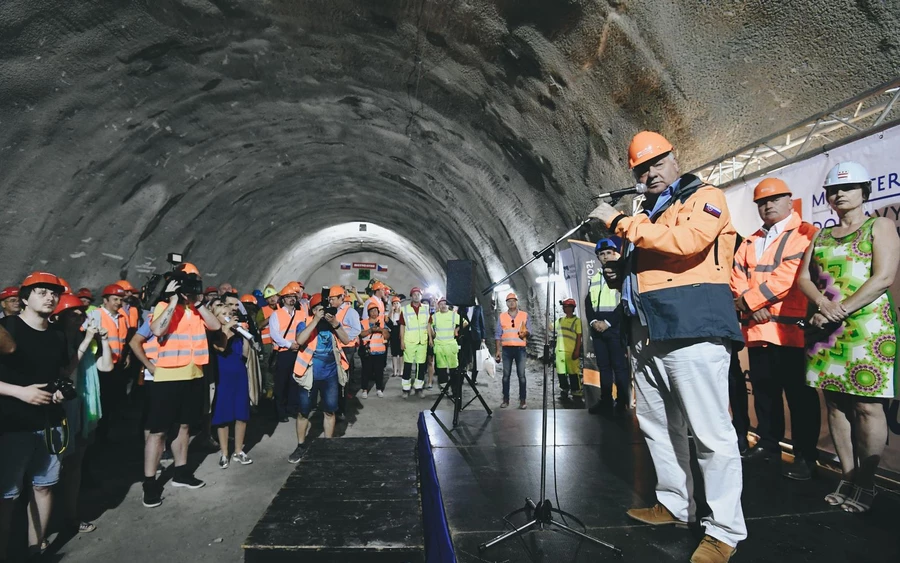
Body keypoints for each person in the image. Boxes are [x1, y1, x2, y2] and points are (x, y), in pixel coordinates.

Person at [589, 131, 746, 563]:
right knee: (658, 426)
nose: (651, 172)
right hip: (647, 333)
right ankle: (676, 503)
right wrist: (622, 272)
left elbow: (689, 242)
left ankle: (725, 531)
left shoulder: (704, 197)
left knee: (711, 434)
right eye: (642, 168)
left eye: (658, 162)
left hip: (692, 329)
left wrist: (620, 223)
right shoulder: (650, 212)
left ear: (675, 160)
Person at [799, 161, 900, 514]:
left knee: (868, 406)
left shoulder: (880, 225)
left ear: (864, 191)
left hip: (868, 327)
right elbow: (804, 279)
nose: (840, 193)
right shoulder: (820, 235)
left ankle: (867, 482)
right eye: (833, 189)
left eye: (849, 187)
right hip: (827, 332)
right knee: (836, 404)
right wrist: (821, 304)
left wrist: (840, 309)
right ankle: (848, 475)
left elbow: (884, 277)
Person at [731, 178, 821, 480]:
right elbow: (737, 276)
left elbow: (791, 275)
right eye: (761, 202)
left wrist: (751, 303)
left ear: (789, 200)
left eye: (774, 199)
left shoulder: (806, 233)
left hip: (791, 332)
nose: (767, 205)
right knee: (765, 394)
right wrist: (750, 306)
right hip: (758, 332)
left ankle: (805, 457)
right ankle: (768, 445)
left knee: (799, 399)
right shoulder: (750, 240)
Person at [0, 272, 74, 560]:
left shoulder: (57, 336)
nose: (50, 297)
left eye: (54, 292)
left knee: (44, 487)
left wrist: (57, 393)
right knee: (7, 497)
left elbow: (54, 376)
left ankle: (37, 548)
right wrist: (19, 392)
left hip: (50, 424)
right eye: (42, 291)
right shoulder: (8, 328)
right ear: (25, 298)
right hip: (13, 425)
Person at [142, 263, 221, 508]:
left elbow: (216, 327)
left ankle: (181, 472)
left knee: (185, 426)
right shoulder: (165, 306)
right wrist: (174, 299)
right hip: (166, 377)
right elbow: (157, 329)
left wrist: (197, 303)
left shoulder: (198, 309)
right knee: (158, 431)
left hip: (193, 374)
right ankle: (149, 482)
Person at [53, 294, 112, 535]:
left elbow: (106, 366)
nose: (79, 317)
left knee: (75, 465)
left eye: (81, 313)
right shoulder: (55, 342)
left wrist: (104, 340)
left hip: (81, 409)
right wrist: (87, 340)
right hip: (59, 411)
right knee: (50, 471)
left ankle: (70, 515)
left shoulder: (83, 341)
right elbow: (66, 370)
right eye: (73, 313)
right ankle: (45, 525)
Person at [288, 293, 350, 463]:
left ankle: (327, 447)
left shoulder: (332, 326)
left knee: (330, 410)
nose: (323, 312)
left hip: (329, 375)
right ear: (313, 310)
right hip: (309, 375)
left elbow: (346, 339)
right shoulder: (305, 323)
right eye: (318, 309)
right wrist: (315, 320)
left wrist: (334, 323)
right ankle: (301, 446)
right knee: (303, 412)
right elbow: (300, 340)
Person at [585, 238, 629, 415]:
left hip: (615, 327)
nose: (605, 256)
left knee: (619, 367)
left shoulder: (622, 274)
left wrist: (608, 323)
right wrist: (593, 322)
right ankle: (605, 401)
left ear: (615, 254)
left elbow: (623, 303)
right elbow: (588, 303)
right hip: (598, 329)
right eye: (601, 254)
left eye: (608, 253)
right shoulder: (595, 277)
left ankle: (622, 403)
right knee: (604, 367)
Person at [209, 301, 253, 469]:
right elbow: (220, 348)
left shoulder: (237, 331)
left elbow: (245, 354)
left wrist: (245, 335)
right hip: (223, 375)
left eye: (230, 313)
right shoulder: (215, 333)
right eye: (224, 314)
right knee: (223, 414)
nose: (228, 316)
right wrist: (228, 329)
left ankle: (238, 451)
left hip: (239, 373)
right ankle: (224, 452)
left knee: (241, 413)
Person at [85, 283, 130, 442]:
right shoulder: (96, 315)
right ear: (105, 300)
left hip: (117, 364)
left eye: (120, 299)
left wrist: (127, 356)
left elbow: (123, 340)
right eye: (115, 299)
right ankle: (98, 435)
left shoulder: (122, 317)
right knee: (102, 400)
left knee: (113, 401)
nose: (118, 302)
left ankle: (106, 433)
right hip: (100, 365)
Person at [268, 282, 302, 422]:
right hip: (283, 352)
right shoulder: (276, 315)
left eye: (293, 296)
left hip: (298, 352)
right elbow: (274, 335)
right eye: (288, 297)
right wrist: (289, 345)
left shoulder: (301, 314)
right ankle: (280, 411)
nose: (291, 299)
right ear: (283, 299)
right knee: (281, 383)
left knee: (295, 381)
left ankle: (292, 408)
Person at [494, 292, 531, 409]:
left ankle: (523, 400)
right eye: (509, 301)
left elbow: (530, 331)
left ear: (516, 302)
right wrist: (498, 351)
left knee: (522, 376)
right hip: (506, 350)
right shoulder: (502, 317)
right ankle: (505, 400)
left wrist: (526, 333)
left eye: (513, 300)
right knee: (506, 376)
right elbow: (498, 335)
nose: (511, 303)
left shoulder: (524, 315)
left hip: (520, 349)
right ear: (506, 303)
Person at [332, 286, 361, 405]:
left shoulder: (350, 311)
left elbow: (357, 329)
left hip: (347, 347)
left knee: (344, 373)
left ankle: (344, 395)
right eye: (330, 299)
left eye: (333, 299)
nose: (331, 301)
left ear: (341, 298)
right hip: (336, 346)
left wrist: (346, 339)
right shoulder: (334, 311)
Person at [400, 287, 430, 398]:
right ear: (411, 296)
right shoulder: (405, 309)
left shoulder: (426, 309)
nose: (416, 296)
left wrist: (430, 339)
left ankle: (419, 388)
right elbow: (402, 326)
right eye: (414, 294)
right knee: (407, 365)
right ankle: (406, 389)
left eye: (418, 294)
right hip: (409, 341)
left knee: (421, 366)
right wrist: (402, 341)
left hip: (422, 341)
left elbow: (428, 325)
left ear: (421, 296)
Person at [430, 297, 465, 390]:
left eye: (445, 303)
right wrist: (432, 335)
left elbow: (465, 323)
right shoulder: (435, 316)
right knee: (441, 370)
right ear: (438, 306)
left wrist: (457, 329)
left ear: (448, 305)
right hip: (439, 346)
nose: (443, 305)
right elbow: (429, 326)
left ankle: (455, 389)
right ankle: (444, 389)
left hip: (450, 346)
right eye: (441, 304)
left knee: (454, 369)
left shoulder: (453, 315)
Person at [359, 303, 389, 398]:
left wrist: (381, 330)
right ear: (368, 312)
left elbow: (387, 335)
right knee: (366, 372)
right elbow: (361, 334)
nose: (374, 312)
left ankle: (379, 389)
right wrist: (370, 330)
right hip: (367, 352)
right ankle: (364, 389)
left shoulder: (382, 322)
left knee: (379, 371)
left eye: (375, 310)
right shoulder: (363, 322)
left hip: (379, 351)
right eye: (371, 311)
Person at [554, 298, 582, 401]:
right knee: (561, 373)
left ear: (572, 308)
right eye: (564, 306)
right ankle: (564, 391)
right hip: (560, 351)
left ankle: (576, 393)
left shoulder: (577, 321)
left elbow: (579, 337)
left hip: (571, 351)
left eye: (566, 306)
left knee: (573, 373)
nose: (564, 308)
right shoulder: (560, 320)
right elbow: (551, 328)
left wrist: (577, 350)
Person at [255, 284, 280, 399]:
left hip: (281, 342)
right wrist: (270, 318)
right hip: (268, 343)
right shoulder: (263, 311)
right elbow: (259, 325)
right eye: (269, 298)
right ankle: (269, 388)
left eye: (274, 296)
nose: (272, 299)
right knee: (268, 366)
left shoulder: (282, 309)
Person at [386, 296, 403, 377]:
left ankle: (401, 371)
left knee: (401, 353)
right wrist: (391, 311)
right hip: (393, 333)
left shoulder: (402, 313)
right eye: (394, 303)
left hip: (400, 332)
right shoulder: (391, 313)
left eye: (397, 303)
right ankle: (395, 371)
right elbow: (387, 320)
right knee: (394, 353)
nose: (396, 305)